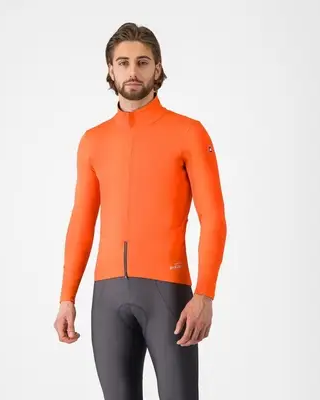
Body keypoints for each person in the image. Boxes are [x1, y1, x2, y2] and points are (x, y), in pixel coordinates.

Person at [53, 22, 227, 400]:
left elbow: (213, 218)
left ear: (157, 68)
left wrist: (205, 294)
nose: (133, 71)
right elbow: (82, 221)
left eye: (143, 62)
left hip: (169, 294)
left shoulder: (188, 132)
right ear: (111, 70)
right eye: (124, 63)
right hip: (107, 298)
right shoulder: (93, 141)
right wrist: (67, 297)